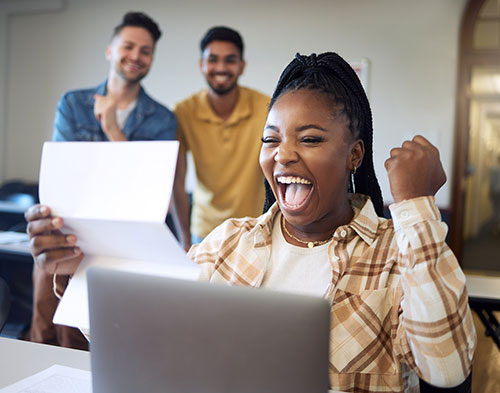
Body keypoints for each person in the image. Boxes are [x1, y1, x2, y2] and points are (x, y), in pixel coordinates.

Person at [26, 52, 475, 392]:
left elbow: (447, 367)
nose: (283, 154)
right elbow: (139, 330)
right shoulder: (227, 243)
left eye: (311, 138)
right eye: (271, 139)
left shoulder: (395, 252)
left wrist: (414, 204)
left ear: (354, 154)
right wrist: (76, 265)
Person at [27, 11, 177, 351]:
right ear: (110, 50)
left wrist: (112, 129)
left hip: (123, 244)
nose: (136, 56)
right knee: (45, 333)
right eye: (128, 46)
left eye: (146, 51)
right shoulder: (73, 103)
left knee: (94, 344)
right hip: (65, 233)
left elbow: (147, 193)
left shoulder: (163, 120)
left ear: (152, 58)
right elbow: (65, 179)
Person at [172, 26, 269, 250]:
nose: (221, 68)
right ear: (201, 65)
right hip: (204, 231)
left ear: (242, 66)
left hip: (254, 228)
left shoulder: (266, 107)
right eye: (213, 60)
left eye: (230, 60)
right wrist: (184, 240)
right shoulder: (184, 111)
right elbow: (177, 180)